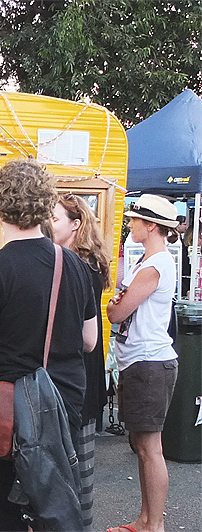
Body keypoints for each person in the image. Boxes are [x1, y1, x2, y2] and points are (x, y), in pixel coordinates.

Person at [0, 160, 97, 531]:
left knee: (3, 512)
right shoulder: (73, 264)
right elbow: (89, 340)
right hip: (62, 404)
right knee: (52, 506)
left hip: (8, 414)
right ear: (46, 206)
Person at [105, 194, 181, 532]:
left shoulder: (153, 266)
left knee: (150, 448)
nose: (131, 224)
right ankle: (146, 519)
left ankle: (154, 524)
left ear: (151, 226)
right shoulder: (148, 263)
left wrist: (114, 306)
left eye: (135, 219)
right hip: (142, 363)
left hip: (149, 363)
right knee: (142, 446)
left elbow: (118, 312)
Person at [50, 193, 111, 530]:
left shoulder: (80, 267)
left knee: (77, 471)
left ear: (76, 225)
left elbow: (82, 336)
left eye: (55, 219)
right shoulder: (83, 263)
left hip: (79, 375)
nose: (49, 224)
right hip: (81, 373)